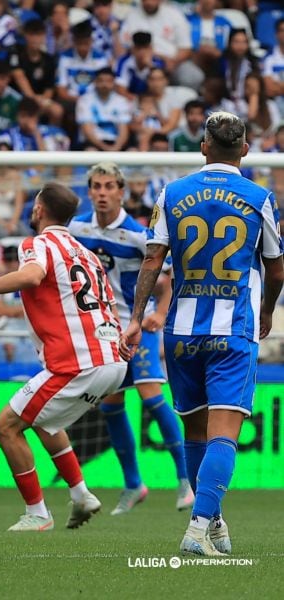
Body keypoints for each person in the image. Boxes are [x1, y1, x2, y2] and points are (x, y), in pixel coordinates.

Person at [121, 112, 284, 555]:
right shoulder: (259, 198)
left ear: (204, 147)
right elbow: (276, 266)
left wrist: (136, 319)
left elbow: (152, 261)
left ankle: (212, 522)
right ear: (245, 150)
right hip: (233, 330)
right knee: (223, 434)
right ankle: (197, 526)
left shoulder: (172, 194)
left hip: (181, 331)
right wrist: (267, 309)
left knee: (195, 431)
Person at [0, 182, 126, 531]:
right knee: (44, 418)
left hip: (77, 362)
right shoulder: (85, 253)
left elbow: (31, 276)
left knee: (5, 427)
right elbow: (106, 303)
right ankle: (81, 494)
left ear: (40, 210)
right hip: (112, 359)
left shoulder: (38, 244)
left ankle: (38, 513)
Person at [68, 162, 192, 516]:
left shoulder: (139, 234)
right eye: (96, 186)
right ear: (89, 191)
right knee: (110, 405)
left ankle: (186, 480)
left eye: (109, 186)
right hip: (103, 332)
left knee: (152, 394)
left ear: (121, 191)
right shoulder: (77, 229)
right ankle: (134, 483)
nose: (103, 192)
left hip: (137, 328)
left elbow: (167, 279)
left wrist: (161, 312)